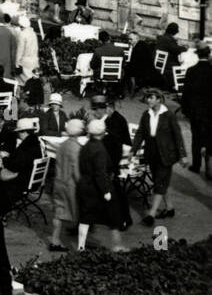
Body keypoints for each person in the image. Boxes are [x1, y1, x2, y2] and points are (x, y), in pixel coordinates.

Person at [133, 88, 184, 227]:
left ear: (159, 99)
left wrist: (182, 155)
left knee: (159, 182)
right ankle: (170, 208)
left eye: (151, 98)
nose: (148, 100)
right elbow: (140, 133)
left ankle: (151, 214)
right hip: (152, 153)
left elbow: (177, 135)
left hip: (166, 154)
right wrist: (133, 150)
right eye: (147, 98)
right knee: (159, 181)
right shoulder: (146, 114)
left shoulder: (169, 115)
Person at [77, 119, 123, 251]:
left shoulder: (86, 146)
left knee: (85, 216)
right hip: (96, 187)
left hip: (84, 184)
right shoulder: (100, 149)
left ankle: (81, 246)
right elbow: (100, 173)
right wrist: (106, 191)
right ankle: (117, 245)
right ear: (102, 133)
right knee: (113, 215)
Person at [48, 119, 86, 252]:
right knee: (79, 210)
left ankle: (55, 240)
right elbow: (76, 170)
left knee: (58, 212)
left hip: (59, 181)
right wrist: (82, 184)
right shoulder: (76, 148)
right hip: (70, 184)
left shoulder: (62, 145)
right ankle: (81, 242)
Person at [182, 45, 212, 180]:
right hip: (210, 111)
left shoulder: (191, 71)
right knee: (209, 137)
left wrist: (185, 109)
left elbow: (186, 92)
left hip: (195, 110)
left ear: (198, 55)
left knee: (196, 137)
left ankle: (196, 164)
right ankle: (209, 168)